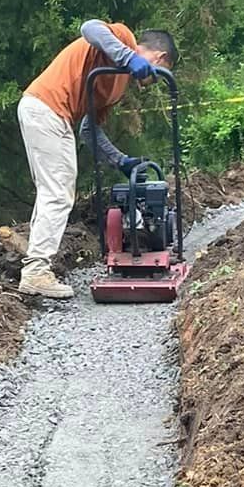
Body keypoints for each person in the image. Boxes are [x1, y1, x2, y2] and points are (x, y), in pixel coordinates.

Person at [17, 21, 178, 301]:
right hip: (48, 109)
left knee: (50, 193)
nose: (150, 82)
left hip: (46, 113)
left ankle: (35, 266)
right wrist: (128, 57)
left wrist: (121, 161)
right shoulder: (124, 41)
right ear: (159, 58)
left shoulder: (115, 85)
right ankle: (35, 272)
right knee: (58, 194)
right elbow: (89, 28)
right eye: (158, 73)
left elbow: (89, 130)